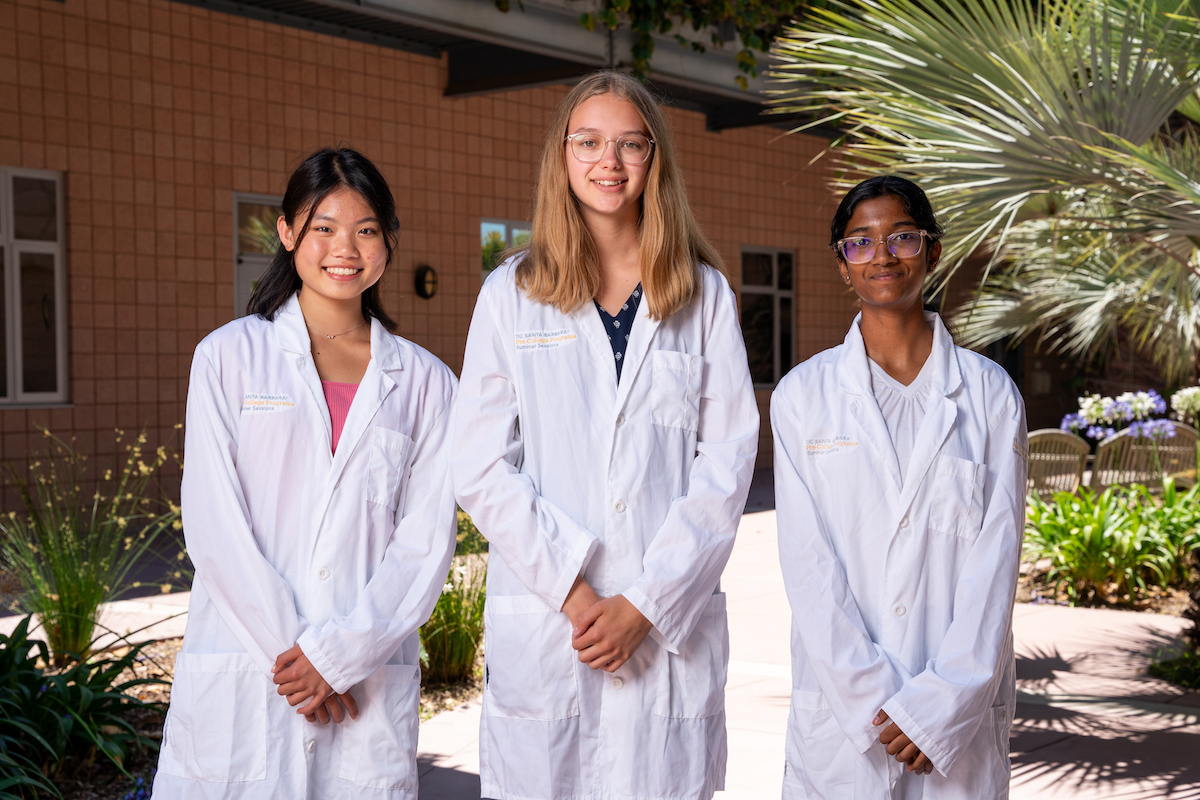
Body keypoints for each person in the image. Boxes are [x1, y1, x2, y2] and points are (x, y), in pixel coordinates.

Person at [452, 70, 759, 800]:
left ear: (656, 160)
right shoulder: (511, 294)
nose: (608, 162)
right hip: (554, 622)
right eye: (587, 142)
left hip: (665, 626)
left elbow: (727, 465)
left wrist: (645, 603)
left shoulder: (702, 294)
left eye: (630, 144)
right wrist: (575, 591)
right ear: (562, 156)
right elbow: (481, 464)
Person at [154, 148, 457, 799]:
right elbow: (213, 522)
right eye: (324, 227)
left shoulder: (427, 383)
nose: (344, 247)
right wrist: (295, 659)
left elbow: (426, 543)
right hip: (247, 669)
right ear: (287, 232)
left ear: (389, 243)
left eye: (366, 229)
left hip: (362, 682)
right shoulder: (230, 357)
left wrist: (338, 658)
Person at [771, 175, 1027, 799]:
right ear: (842, 264)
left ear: (933, 251)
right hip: (843, 719)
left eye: (902, 237)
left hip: (956, 726)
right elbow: (808, 567)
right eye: (860, 242)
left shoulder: (991, 395)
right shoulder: (802, 397)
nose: (882, 255)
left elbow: (996, 565)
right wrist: (875, 702)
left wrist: (938, 708)